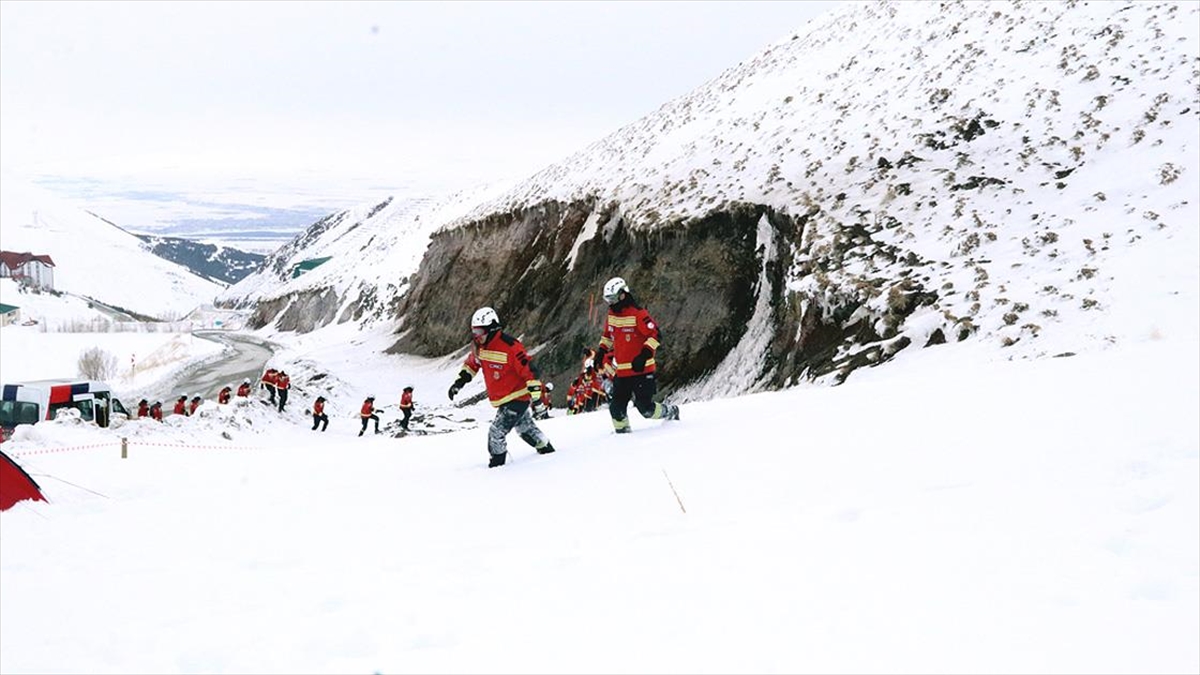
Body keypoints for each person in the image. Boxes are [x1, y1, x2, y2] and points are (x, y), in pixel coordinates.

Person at [447, 307, 555, 467]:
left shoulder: (510, 346)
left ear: (491, 328)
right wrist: (459, 383)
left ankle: (497, 468)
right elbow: (472, 364)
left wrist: (537, 398)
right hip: (504, 398)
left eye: (480, 331)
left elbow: (530, 371)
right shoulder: (479, 347)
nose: (477, 336)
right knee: (525, 429)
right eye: (474, 332)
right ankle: (548, 451)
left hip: (517, 397)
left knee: (496, 433)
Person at [594, 276, 680, 434]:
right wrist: (601, 352)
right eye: (608, 300)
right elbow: (607, 336)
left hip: (642, 370)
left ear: (622, 294)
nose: (611, 303)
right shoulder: (612, 315)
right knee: (616, 408)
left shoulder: (638, 314)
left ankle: (670, 411)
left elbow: (655, 335)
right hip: (622, 372)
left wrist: (645, 354)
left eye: (613, 299)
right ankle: (624, 436)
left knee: (645, 409)